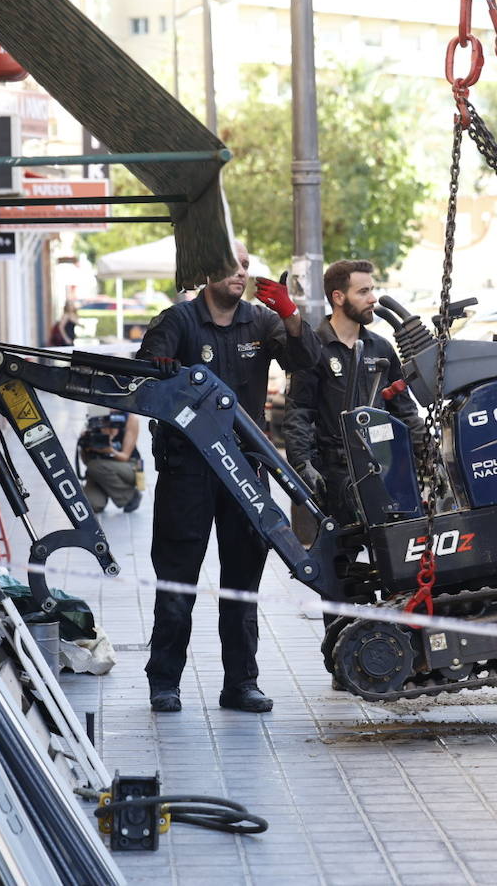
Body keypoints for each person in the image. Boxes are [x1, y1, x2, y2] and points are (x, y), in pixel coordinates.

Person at [137, 240, 318, 714]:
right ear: (204, 271)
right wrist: (159, 370)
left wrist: (292, 315)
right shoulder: (177, 321)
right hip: (187, 470)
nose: (240, 272)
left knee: (242, 582)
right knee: (178, 579)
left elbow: (306, 364)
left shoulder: (261, 321)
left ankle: (241, 684)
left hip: (244, 469)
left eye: (245, 265)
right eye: (230, 264)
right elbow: (142, 379)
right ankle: (164, 682)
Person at [283, 259, 423, 529]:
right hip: (335, 477)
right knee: (340, 564)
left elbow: (405, 411)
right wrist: (303, 465)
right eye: (363, 292)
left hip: (384, 471)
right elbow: (299, 411)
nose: (372, 299)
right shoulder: (314, 349)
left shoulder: (381, 348)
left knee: (393, 558)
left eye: (371, 289)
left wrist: (428, 452)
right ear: (338, 297)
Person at [81, 413, 143, 513]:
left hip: (130, 465)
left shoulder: (130, 418)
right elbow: (86, 462)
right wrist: (85, 445)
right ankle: (108, 488)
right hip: (100, 470)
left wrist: (110, 451)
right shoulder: (95, 420)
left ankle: (130, 496)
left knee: (95, 466)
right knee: (93, 505)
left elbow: (125, 456)